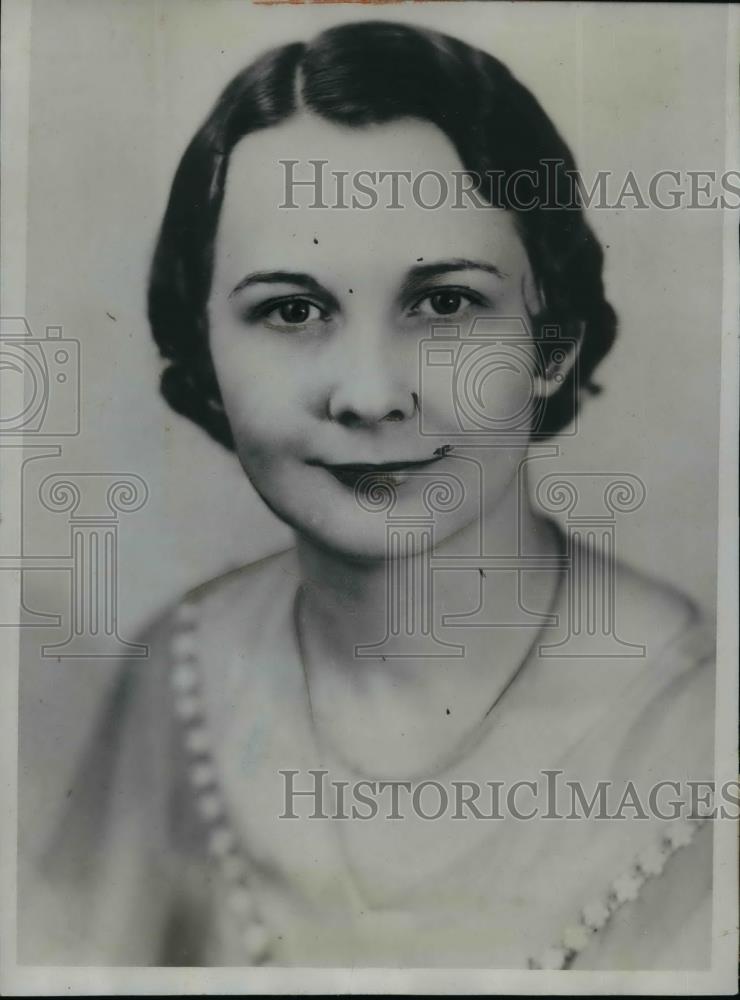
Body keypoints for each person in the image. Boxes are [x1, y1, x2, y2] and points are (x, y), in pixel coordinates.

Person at [27, 20, 714, 968]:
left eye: (444, 303)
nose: (371, 393)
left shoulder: (701, 735)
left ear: (551, 343)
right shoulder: (182, 678)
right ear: (204, 355)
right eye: (292, 310)